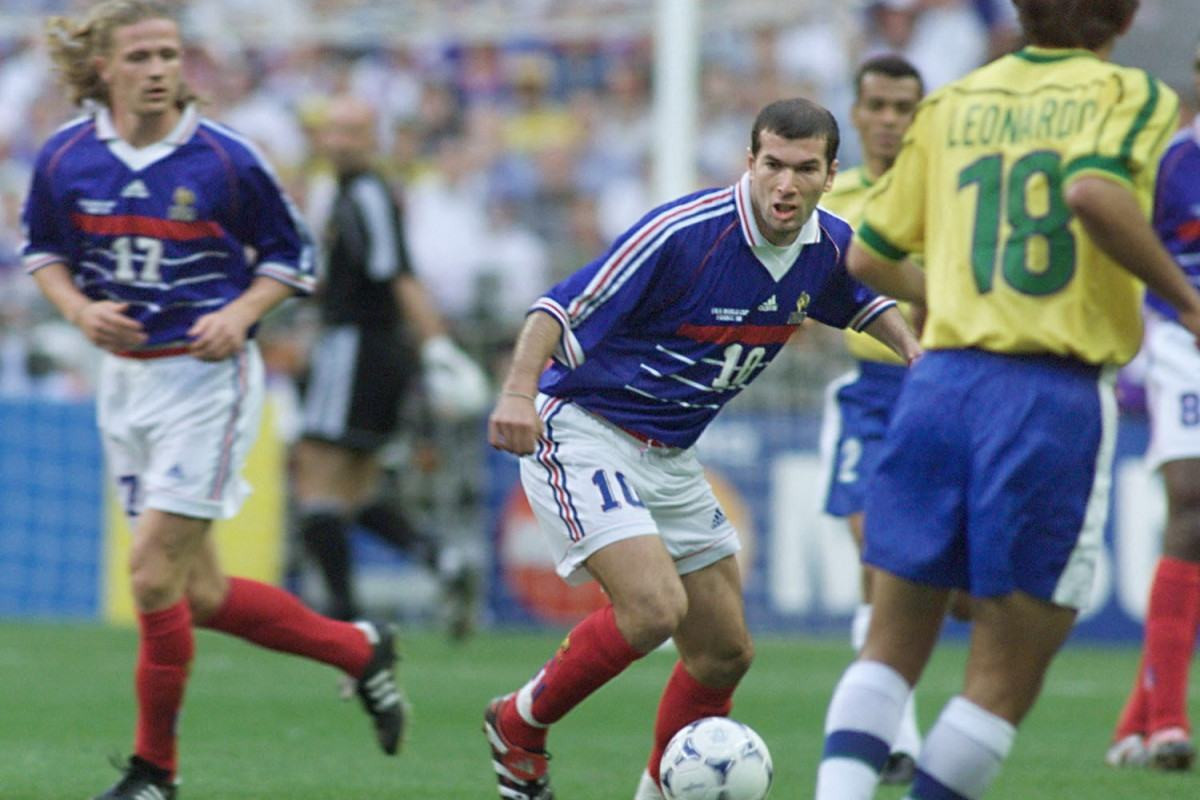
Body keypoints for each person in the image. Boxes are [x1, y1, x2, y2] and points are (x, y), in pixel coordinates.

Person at [813, 1, 1200, 798]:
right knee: (1005, 669)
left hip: (938, 380)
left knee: (889, 643)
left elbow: (868, 256)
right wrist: (1189, 303)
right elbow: (1094, 194)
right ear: (1124, 20)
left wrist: (947, 290)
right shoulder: (1130, 95)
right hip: (1045, 393)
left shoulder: (951, 102)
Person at [484, 96, 921, 800]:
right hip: (585, 428)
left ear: (830, 174)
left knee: (723, 654)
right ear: (749, 162)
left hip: (673, 455)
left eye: (803, 169)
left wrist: (913, 350)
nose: (785, 184)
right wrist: (514, 392)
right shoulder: (683, 233)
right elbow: (558, 306)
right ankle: (518, 724)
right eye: (772, 165)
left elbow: (860, 297)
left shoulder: (829, 245)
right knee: (654, 609)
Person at [21, 5, 403, 798]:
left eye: (170, 52)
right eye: (142, 55)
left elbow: (291, 257)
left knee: (152, 575)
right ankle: (358, 650)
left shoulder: (226, 159)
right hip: (125, 385)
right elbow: (46, 252)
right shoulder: (65, 159)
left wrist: (239, 313)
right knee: (198, 594)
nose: (161, 67)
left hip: (206, 385)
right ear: (104, 69)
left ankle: (153, 772)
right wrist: (79, 311)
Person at [292, 93, 486, 637]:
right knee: (354, 494)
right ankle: (441, 559)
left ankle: (345, 620)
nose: (339, 141)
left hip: (355, 347)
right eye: (332, 130)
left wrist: (438, 347)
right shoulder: (354, 193)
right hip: (376, 351)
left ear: (372, 140)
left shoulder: (367, 194)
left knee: (315, 477)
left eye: (352, 132)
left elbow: (398, 274)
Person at [817, 52, 925, 786]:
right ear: (856, 113)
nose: (888, 120)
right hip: (868, 389)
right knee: (871, 539)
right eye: (877, 106)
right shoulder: (834, 197)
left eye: (902, 107)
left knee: (914, 569)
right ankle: (898, 738)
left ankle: (889, 728)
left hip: (939, 385)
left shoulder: (942, 190)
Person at [1106, 38, 1200, 773]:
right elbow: (1128, 245)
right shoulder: (1172, 160)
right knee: (1191, 502)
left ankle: (1136, 720)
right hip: (1184, 338)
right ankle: (1168, 721)